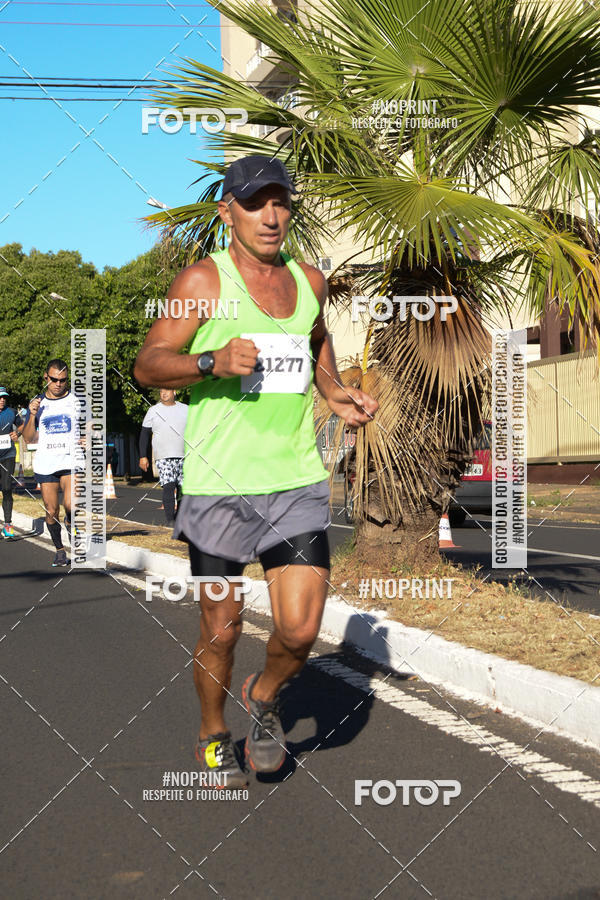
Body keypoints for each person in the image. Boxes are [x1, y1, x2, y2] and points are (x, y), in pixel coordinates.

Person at [134, 154, 378, 787]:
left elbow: (317, 338)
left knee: (299, 630)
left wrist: (336, 393)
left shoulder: (310, 280)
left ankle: (265, 697)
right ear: (228, 212)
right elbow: (149, 364)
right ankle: (214, 730)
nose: (271, 216)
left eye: (281, 202)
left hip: (294, 479)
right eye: (255, 203)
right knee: (222, 629)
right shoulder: (202, 284)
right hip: (218, 486)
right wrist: (211, 360)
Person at [21, 359, 83, 566]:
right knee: (51, 510)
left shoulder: (77, 400)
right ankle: (59, 550)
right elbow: (29, 438)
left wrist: (90, 436)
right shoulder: (37, 403)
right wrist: (31, 415)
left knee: (71, 505)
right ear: (46, 378)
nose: (58, 383)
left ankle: (70, 521)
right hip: (47, 462)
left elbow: (91, 426)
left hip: (71, 459)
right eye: (54, 379)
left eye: (63, 380)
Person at [138, 389, 188, 525]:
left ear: (175, 392)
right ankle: (170, 521)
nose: (164, 393)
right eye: (161, 391)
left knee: (183, 488)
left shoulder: (186, 409)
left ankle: (180, 519)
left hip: (184, 455)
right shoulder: (153, 410)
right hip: (163, 456)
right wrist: (143, 456)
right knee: (169, 485)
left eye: (167, 390)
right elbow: (144, 434)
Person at [0, 386, 24, 539]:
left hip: (8, 455)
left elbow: (21, 425)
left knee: (7, 487)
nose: (2, 400)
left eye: (4, 397)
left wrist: (18, 433)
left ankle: (8, 524)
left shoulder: (12, 412)